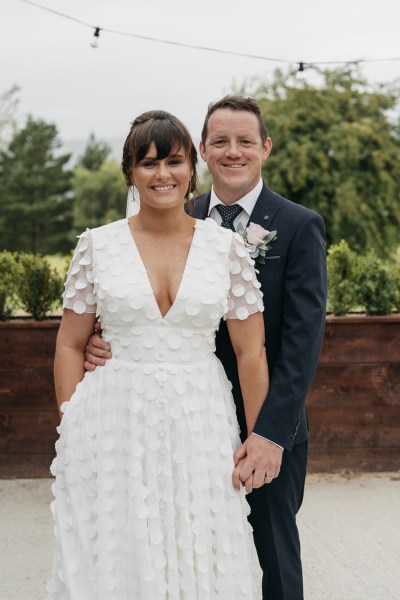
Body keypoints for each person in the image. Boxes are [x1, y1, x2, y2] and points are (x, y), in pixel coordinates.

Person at [86, 96, 327, 599]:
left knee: (273, 554)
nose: (232, 151)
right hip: (182, 427)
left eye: (244, 141)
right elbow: (135, 300)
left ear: (265, 147)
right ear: (202, 151)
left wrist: (270, 434)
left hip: (265, 425)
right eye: (220, 141)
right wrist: (99, 341)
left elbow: (302, 343)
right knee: (188, 554)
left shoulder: (300, 225)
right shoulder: (172, 208)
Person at [47, 109, 269, 599]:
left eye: (174, 161)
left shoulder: (227, 251)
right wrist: (73, 426)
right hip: (112, 423)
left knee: (201, 541)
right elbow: (69, 343)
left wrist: (257, 437)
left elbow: (250, 351)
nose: (162, 174)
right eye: (148, 163)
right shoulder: (96, 247)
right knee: (117, 545)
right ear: (130, 172)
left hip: (201, 422)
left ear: (192, 168)